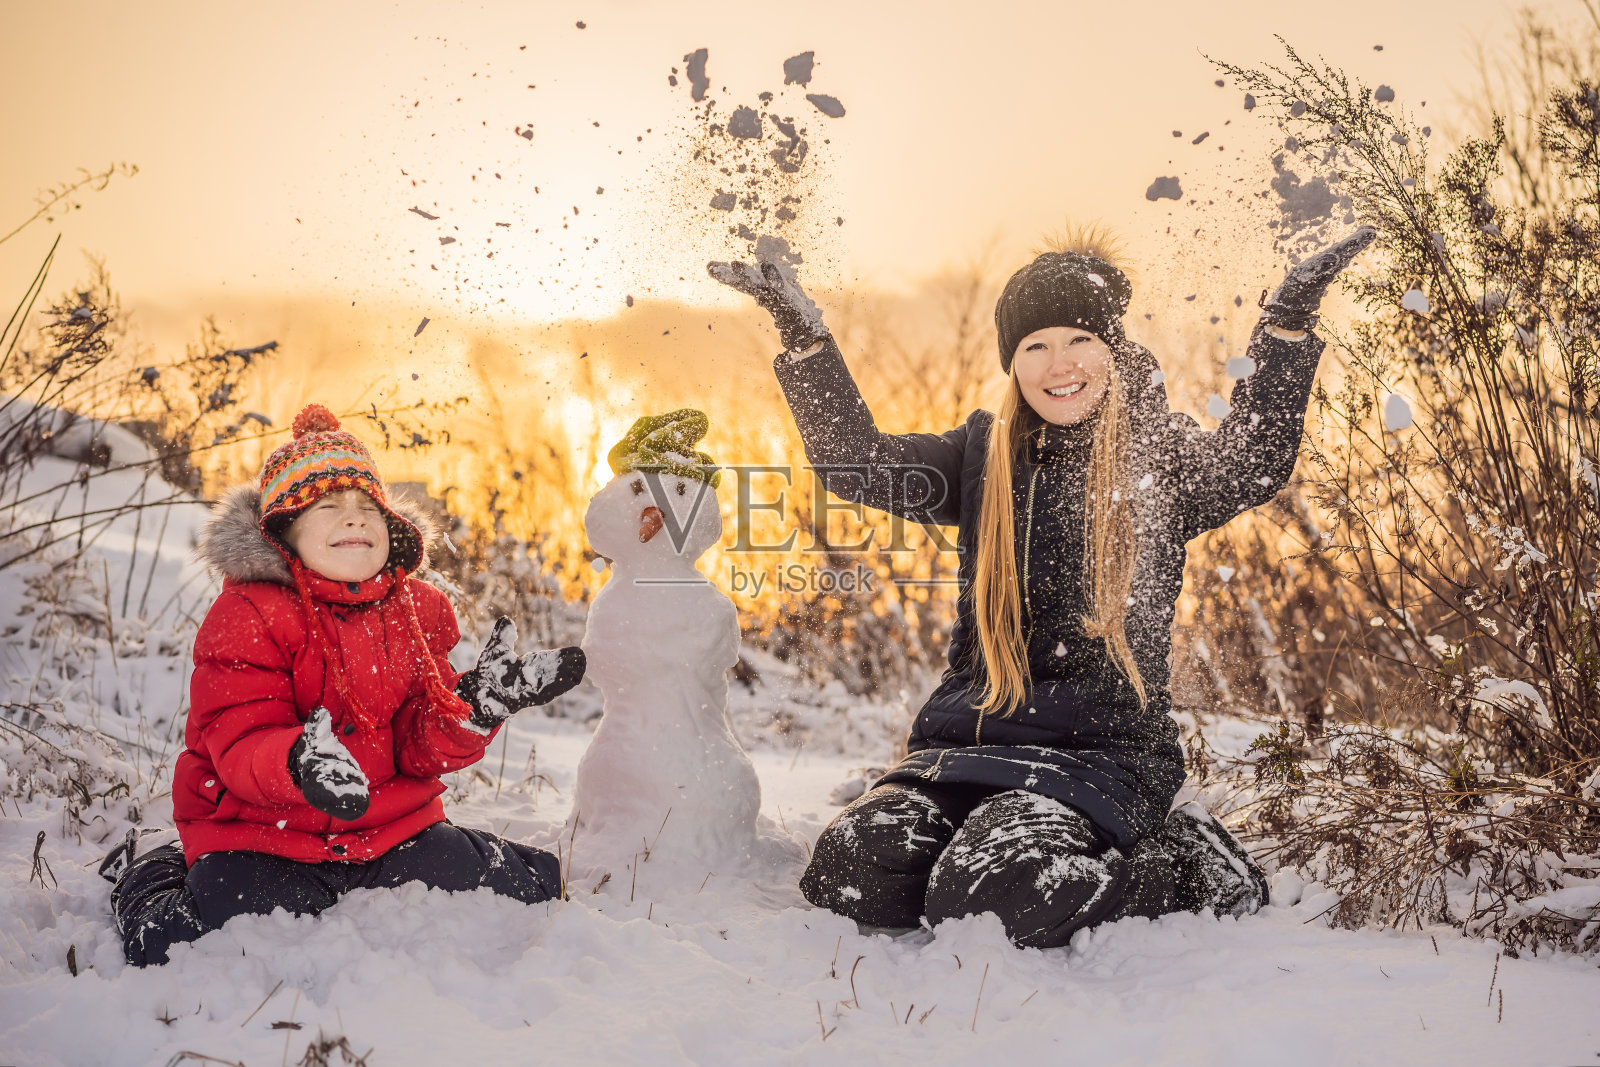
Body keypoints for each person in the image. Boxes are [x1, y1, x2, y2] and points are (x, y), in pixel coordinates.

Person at [710, 226, 1373, 947]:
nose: (1059, 363)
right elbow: (857, 461)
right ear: (1013, 364)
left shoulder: (1158, 458)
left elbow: (1252, 457)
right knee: (851, 870)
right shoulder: (980, 456)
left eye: (1080, 339)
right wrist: (804, 336)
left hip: (1101, 754)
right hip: (962, 742)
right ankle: (973, 842)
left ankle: (1192, 865)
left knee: (994, 894)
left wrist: (1286, 326)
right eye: (1035, 345)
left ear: (1111, 348)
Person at [102, 404, 585, 966]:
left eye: (367, 509)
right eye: (329, 508)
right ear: (284, 532)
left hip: (393, 833)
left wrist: (474, 708)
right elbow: (238, 741)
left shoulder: (417, 611)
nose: (354, 520)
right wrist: (299, 764)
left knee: (533, 886)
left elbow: (416, 747)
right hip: (267, 838)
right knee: (171, 942)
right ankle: (152, 866)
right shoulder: (248, 614)